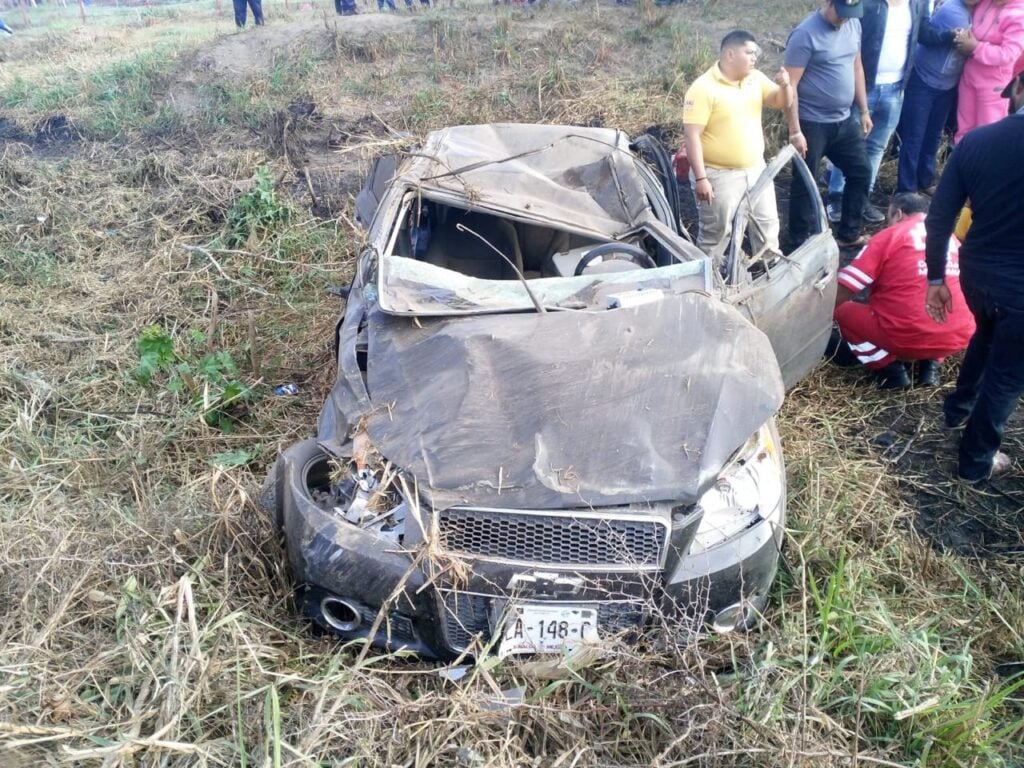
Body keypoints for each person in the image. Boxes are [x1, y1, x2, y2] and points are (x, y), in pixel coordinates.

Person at [924, 65, 1024, 483]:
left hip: (978, 273)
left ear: (1018, 86)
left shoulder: (977, 141)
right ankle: (975, 461)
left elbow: (940, 216)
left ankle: (957, 410)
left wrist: (935, 279)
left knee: (985, 335)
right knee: (1007, 377)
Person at [830, 192, 974, 388]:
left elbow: (849, 285)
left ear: (898, 214)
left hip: (907, 334)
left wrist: (819, 311)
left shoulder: (890, 235)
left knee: (842, 311)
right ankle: (930, 366)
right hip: (958, 335)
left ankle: (889, 369)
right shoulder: (950, 238)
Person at [682, 30, 794, 266]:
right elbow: (692, 135)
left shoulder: (755, 78)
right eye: (750, 52)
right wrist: (702, 178)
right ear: (730, 54)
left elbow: (781, 102)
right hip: (718, 175)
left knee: (767, 224)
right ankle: (709, 277)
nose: (755, 58)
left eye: (756, 53)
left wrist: (785, 86)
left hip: (756, 170)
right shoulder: (703, 88)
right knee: (716, 234)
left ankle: (768, 267)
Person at [826, 0, 929, 225]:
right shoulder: (868, 4)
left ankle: (861, 198)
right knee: (849, 144)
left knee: (876, 147)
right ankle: (837, 196)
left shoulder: (917, 5)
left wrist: (952, 37)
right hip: (864, 86)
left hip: (896, 88)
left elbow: (922, 34)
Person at [784, 0, 873, 250]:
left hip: (844, 120)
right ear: (827, 3)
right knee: (804, 180)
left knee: (861, 171)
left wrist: (864, 110)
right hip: (812, 123)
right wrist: (794, 130)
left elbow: (856, 66)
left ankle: (849, 233)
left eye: (850, 14)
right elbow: (790, 85)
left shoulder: (853, 24)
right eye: (841, 13)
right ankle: (798, 241)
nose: (845, 18)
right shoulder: (805, 34)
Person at [896, 0, 980, 194]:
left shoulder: (979, 13)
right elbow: (970, 41)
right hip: (925, 80)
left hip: (947, 84)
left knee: (933, 135)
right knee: (915, 136)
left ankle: (925, 180)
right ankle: (906, 188)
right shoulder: (953, 11)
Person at [952, 0, 1024, 142]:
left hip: (993, 85)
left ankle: (979, 163)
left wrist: (976, 48)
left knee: (987, 133)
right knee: (964, 128)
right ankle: (961, 158)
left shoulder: (1019, 14)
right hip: (970, 75)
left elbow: (1008, 54)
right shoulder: (985, 2)